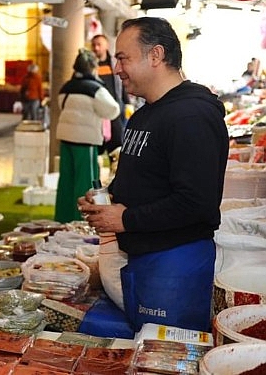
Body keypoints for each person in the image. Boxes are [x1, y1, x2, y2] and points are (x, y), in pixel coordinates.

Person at [78, 17, 228, 333]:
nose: (116, 69)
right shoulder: (147, 113)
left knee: (167, 355)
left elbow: (196, 202)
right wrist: (107, 199)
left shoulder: (191, 115)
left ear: (156, 55)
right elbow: (142, 179)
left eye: (123, 58)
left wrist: (126, 219)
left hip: (176, 264)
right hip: (144, 261)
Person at [54, 48, 119, 223]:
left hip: (66, 139)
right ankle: (81, 221)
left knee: (66, 182)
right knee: (84, 183)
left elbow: (61, 106)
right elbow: (113, 110)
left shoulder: (66, 87)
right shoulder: (95, 89)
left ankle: (63, 219)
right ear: (93, 67)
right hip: (85, 141)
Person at [91, 34, 130, 157]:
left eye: (99, 45)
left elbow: (122, 84)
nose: (96, 48)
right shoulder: (90, 66)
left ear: (106, 45)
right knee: (98, 146)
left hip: (115, 111)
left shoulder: (114, 63)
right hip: (96, 113)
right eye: (94, 45)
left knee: (117, 145)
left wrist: (127, 102)